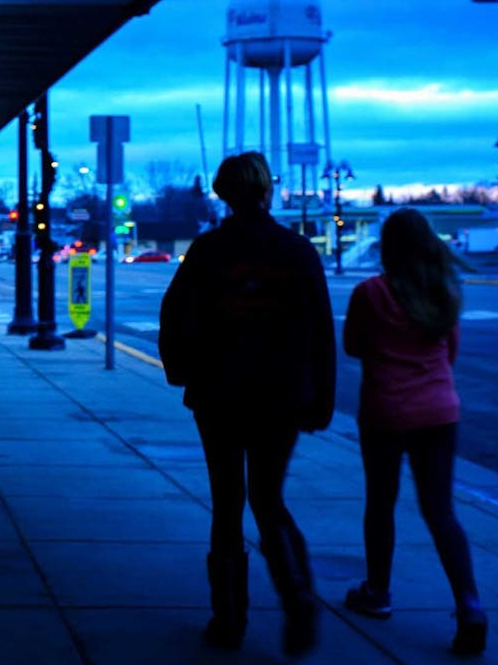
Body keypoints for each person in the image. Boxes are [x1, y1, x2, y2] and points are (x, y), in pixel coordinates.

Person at [158, 152, 335, 656]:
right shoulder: (297, 252)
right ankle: (297, 593)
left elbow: (173, 317)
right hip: (279, 399)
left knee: (227, 503)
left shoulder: (209, 251)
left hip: (219, 395)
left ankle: (229, 616)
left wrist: (182, 373)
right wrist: (320, 399)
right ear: (266, 190)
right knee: (269, 498)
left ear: (223, 193)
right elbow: (321, 333)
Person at [341, 208, 486, 655]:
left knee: (380, 504)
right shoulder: (443, 291)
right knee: (441, 512)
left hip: (385, 411)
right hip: (439, 413)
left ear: (388, 246)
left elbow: (352, 346)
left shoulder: (371, 293)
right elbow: (451, 353)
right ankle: (470, 605)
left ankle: (378, 593)